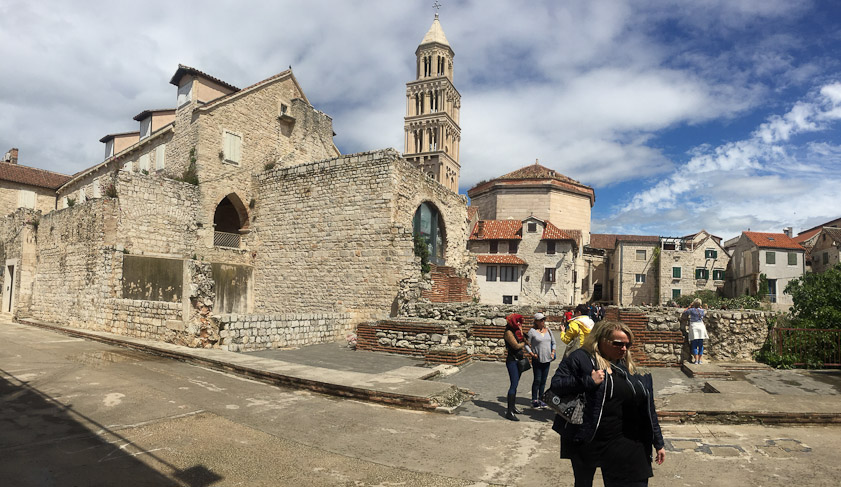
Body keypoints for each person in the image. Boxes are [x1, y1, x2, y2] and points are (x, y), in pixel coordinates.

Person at [549, 321, 666, 487]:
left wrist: (658, 442)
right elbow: (556, 385)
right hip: (587, 436)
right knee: (583, 482)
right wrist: (588, 381)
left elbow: (647, 408)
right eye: (618, 344)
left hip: (621, 440)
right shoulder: (581, 358)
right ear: (601, 340)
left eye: (627, 345)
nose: (623, 349)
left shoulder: (628, 366)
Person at [526, 312, 556, 409]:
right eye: (541, 320)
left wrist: (553, 352)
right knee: (537, 380)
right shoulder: (532, 331)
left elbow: (554, 342)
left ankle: (542, 398)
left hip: (547, 359)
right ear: (536, 321)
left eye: (544, 319)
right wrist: (532, 354)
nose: (543, 321)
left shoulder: (548, 330)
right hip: (537, 359)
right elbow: (526, 344)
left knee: (543, 380)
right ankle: (534, 399)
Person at [503, 313, 528, 421]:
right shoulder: (508, 332)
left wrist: (521, 331)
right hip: (512, 361)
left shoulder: (516, 331)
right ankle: (509, 412)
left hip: (518, 360)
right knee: (513, 385)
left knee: (516, 384)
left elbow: (523, 340)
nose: (518, 324)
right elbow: (516, 345)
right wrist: (524, 343)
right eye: (517, 322)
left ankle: (513, 407)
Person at [682, 298, 708, 364]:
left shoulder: (691, 310)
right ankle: (700, 360)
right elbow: (704, 312)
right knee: (700, 344)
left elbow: (684, 312)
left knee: (694, 344)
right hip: (701, 326)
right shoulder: (702, 311)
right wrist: (700, 307)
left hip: (694, 327)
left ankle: (696, 360)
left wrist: (689, 306)